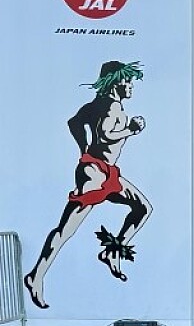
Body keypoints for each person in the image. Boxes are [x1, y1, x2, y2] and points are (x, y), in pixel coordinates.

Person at [23, 60, 152, 309]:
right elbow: (105, 134)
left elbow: (74, 123)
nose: (131, 86)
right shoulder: (113, 106)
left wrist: (83, 148)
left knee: (142, 207)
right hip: (94, 174)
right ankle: (35, 276)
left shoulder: (95, 105)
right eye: (127, 81)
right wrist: (131, 129)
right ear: (115, 84)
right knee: (66, 229)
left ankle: (112, 252)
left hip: (105, 171)